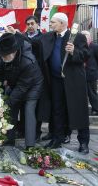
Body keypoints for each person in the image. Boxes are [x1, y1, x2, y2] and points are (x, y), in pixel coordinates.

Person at [0, 33, 44, 148]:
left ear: (13, 52)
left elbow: (21, 88)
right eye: (2, 55)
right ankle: (9, 140)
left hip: (33, 86)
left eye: (5, 55)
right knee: (11, 111)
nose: (2, 57)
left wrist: (7, 103)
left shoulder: (27, 61)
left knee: (28, 110)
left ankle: (30, 145)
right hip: (16, 83)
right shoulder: (6, 55)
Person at [40, 13, 90, 154]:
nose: (50, 24)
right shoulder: (49, 37)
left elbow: (86, 55)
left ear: (62, 24)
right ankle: (57, 138)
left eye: (53, 22)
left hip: (73, 81)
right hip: (55, 80)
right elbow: (34, 43)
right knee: (57, 110)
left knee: (78, 110)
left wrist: (75, 51)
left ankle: (84, 142)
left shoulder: (77, 37)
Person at [81, 30, 98, 115]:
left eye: (86, 36)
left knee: (92, 93)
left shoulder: (94, 46)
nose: (84, 37)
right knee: (81, 94)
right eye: (82, 35)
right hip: (81, 74)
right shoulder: (79, 46)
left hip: (91, 74)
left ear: (90, 37)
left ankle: (96, 109)